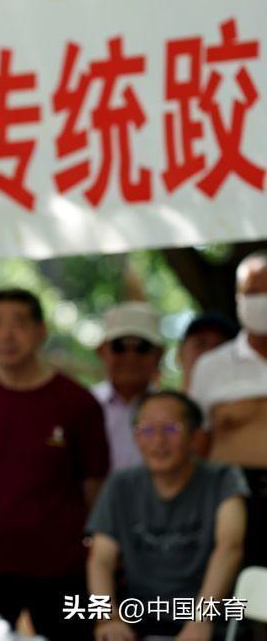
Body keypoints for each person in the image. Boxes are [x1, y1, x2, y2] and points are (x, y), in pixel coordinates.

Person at [0, 289, 109, 640]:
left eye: (19, 323)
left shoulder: (78, 403)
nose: (7, 335)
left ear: (40, 331)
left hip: (61, 571)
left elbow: (94, 486)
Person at [87, 391, 247, 640]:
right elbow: (101, 559)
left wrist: (201, 620)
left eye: (171, 428)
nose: (158, 440)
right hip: (140, 620)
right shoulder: (121, 485)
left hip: (210, 621)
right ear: (136, 438)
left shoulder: (224, 479)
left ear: (195, 436)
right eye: (147, 429)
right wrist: (108, 618)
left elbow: (230, 547)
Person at [191, 250, 267, 569]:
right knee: (234, 587)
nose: (261, 301)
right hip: (231, 498)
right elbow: (197, 442)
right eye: (253, 292)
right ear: (238, 297)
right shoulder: (212, 366)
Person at [92, 302, 164, 472]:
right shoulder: (85, 406)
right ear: (101, 351)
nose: (131, 356)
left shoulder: (172, 413)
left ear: (159, 354)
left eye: (142, 347)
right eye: (119, 346)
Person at [177, 313, 237, 393]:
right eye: (200, 344)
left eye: (220, 347)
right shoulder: (161, 400)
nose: (209, 353)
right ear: (180, 354)